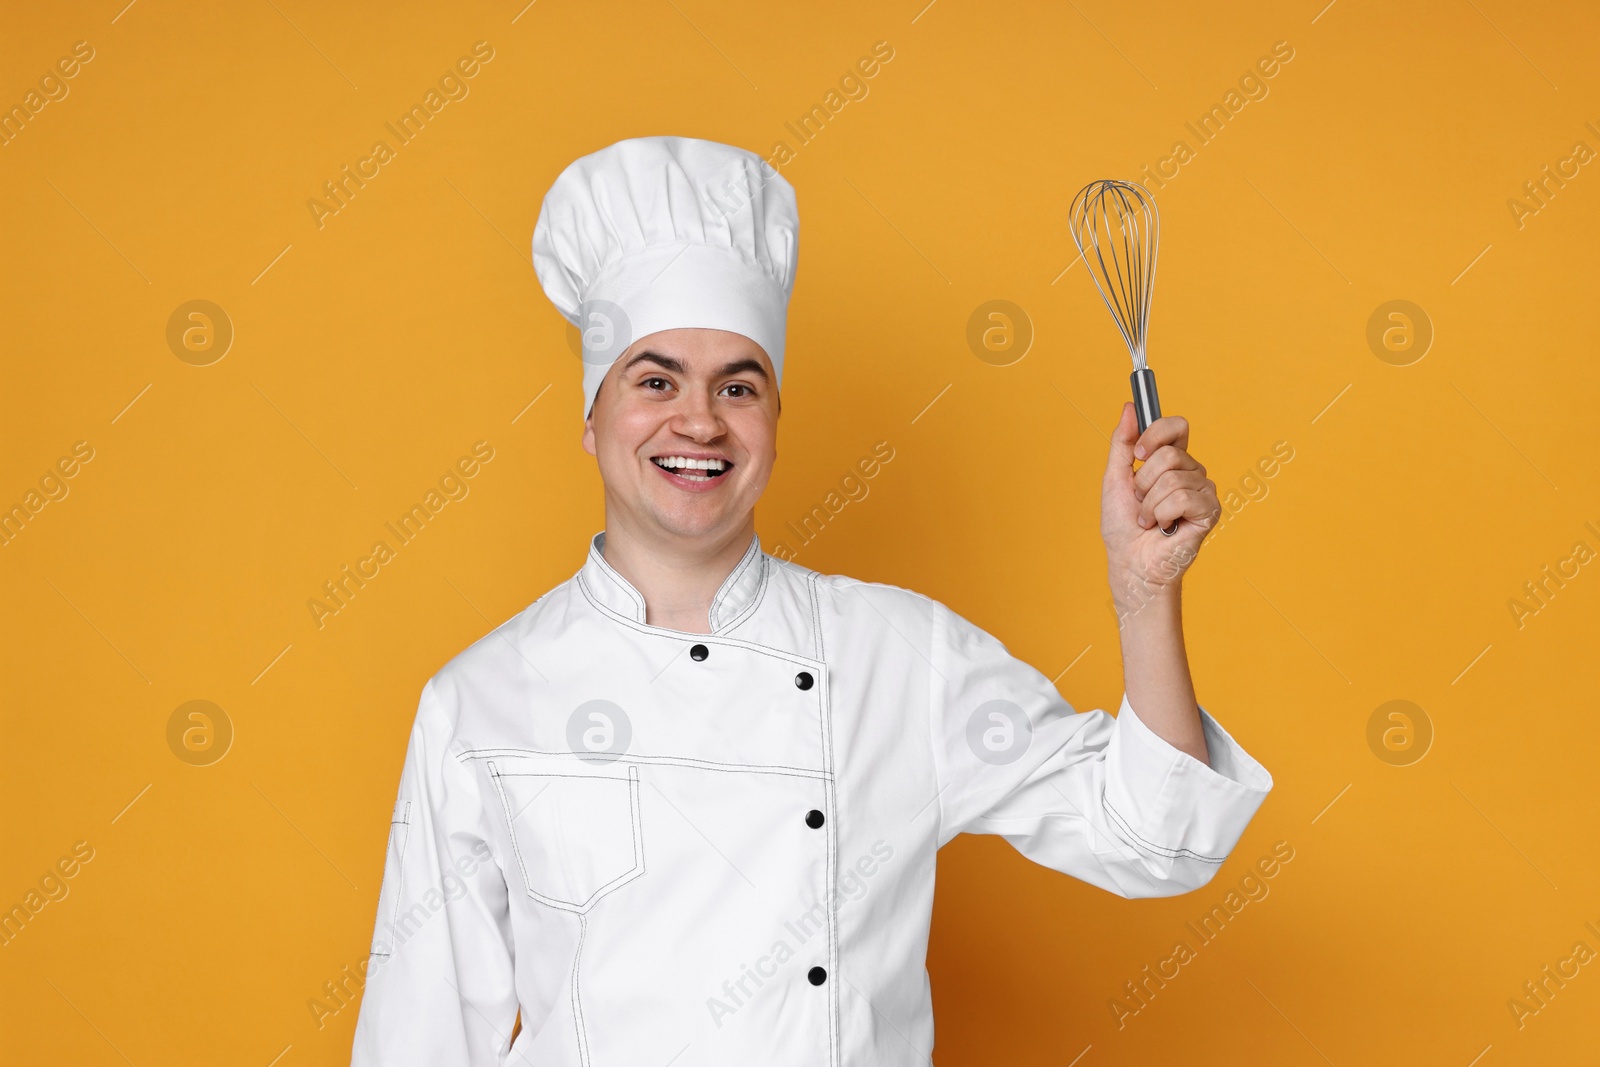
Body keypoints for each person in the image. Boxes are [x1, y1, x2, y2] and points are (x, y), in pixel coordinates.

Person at [350, 135, 1272, 1065]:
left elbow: (1160, 841)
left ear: (775, 425)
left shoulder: (898, 655)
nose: (700, 420)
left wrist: (1142, 594)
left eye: (738, 385)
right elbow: (417, 1037)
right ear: (592, 418)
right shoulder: (481, 698)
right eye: (655, 379)